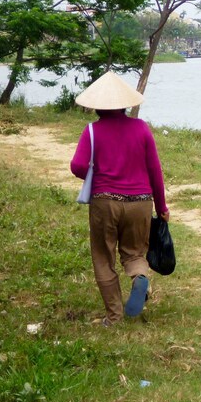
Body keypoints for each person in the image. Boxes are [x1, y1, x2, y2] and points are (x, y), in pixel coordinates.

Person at [70, 72, 169, 327]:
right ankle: (138, 277)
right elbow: (155, 170)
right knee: (135, 253)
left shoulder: (92, 131)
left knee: (104, 257)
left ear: (96, 106)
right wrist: (162, 207)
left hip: (106, 201)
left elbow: (78, 166)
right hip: (141, 202)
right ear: (126, 104)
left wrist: (95, 170)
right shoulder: (141, 128)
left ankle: (113, 317)